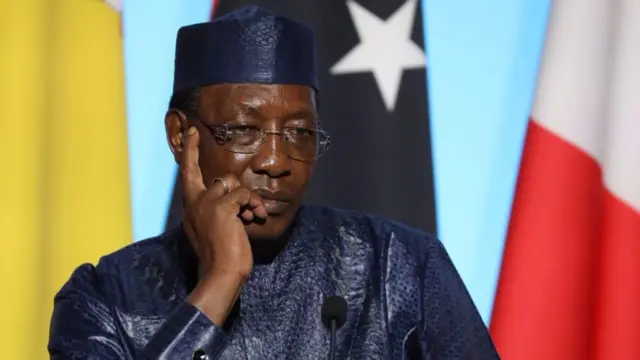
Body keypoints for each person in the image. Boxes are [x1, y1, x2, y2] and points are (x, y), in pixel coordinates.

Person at [48, 5, 500, 360]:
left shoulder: (398, 266)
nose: (275, 161)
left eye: (300, 133)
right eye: (243, 130)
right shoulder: (105, 297)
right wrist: (220, 283)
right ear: (179, 136)